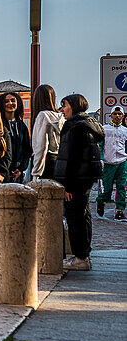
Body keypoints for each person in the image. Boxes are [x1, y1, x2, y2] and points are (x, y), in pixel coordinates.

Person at [54, 93, 104, 271]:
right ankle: (84, 256)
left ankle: (80, 258)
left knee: (76, 219)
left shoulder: (75, 127)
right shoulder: (88, 125)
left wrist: (68, 186)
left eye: (65, 105)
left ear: (73, 106)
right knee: (83, 217)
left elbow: (73, 159)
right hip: (84, 179)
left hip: (76, 180)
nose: (62, 109)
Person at [30, 84, 64, 181]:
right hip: (58, 160)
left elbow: (41, 146)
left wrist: (36, 173)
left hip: (45, 162)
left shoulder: (43, 116)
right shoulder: (61, 116)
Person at [97, 107, 126, 221]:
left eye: (119, 114)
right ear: (111, 115)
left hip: (122, 162)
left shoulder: (125, 130)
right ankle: (100, 201)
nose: (117, 116)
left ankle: (119, 210)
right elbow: (100, 145)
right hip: (108, 162)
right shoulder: (104, 129)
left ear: (122, 116)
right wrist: (100, 158)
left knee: (121, 187)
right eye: (115, 114)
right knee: (107, 188)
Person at [0, 91, 32, 183]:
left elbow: (27, 150)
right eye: (6, 101)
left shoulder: (21, 125)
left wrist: (21, 169)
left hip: (18, 173)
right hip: (1, 173)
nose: (10, 103)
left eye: (13, 101)